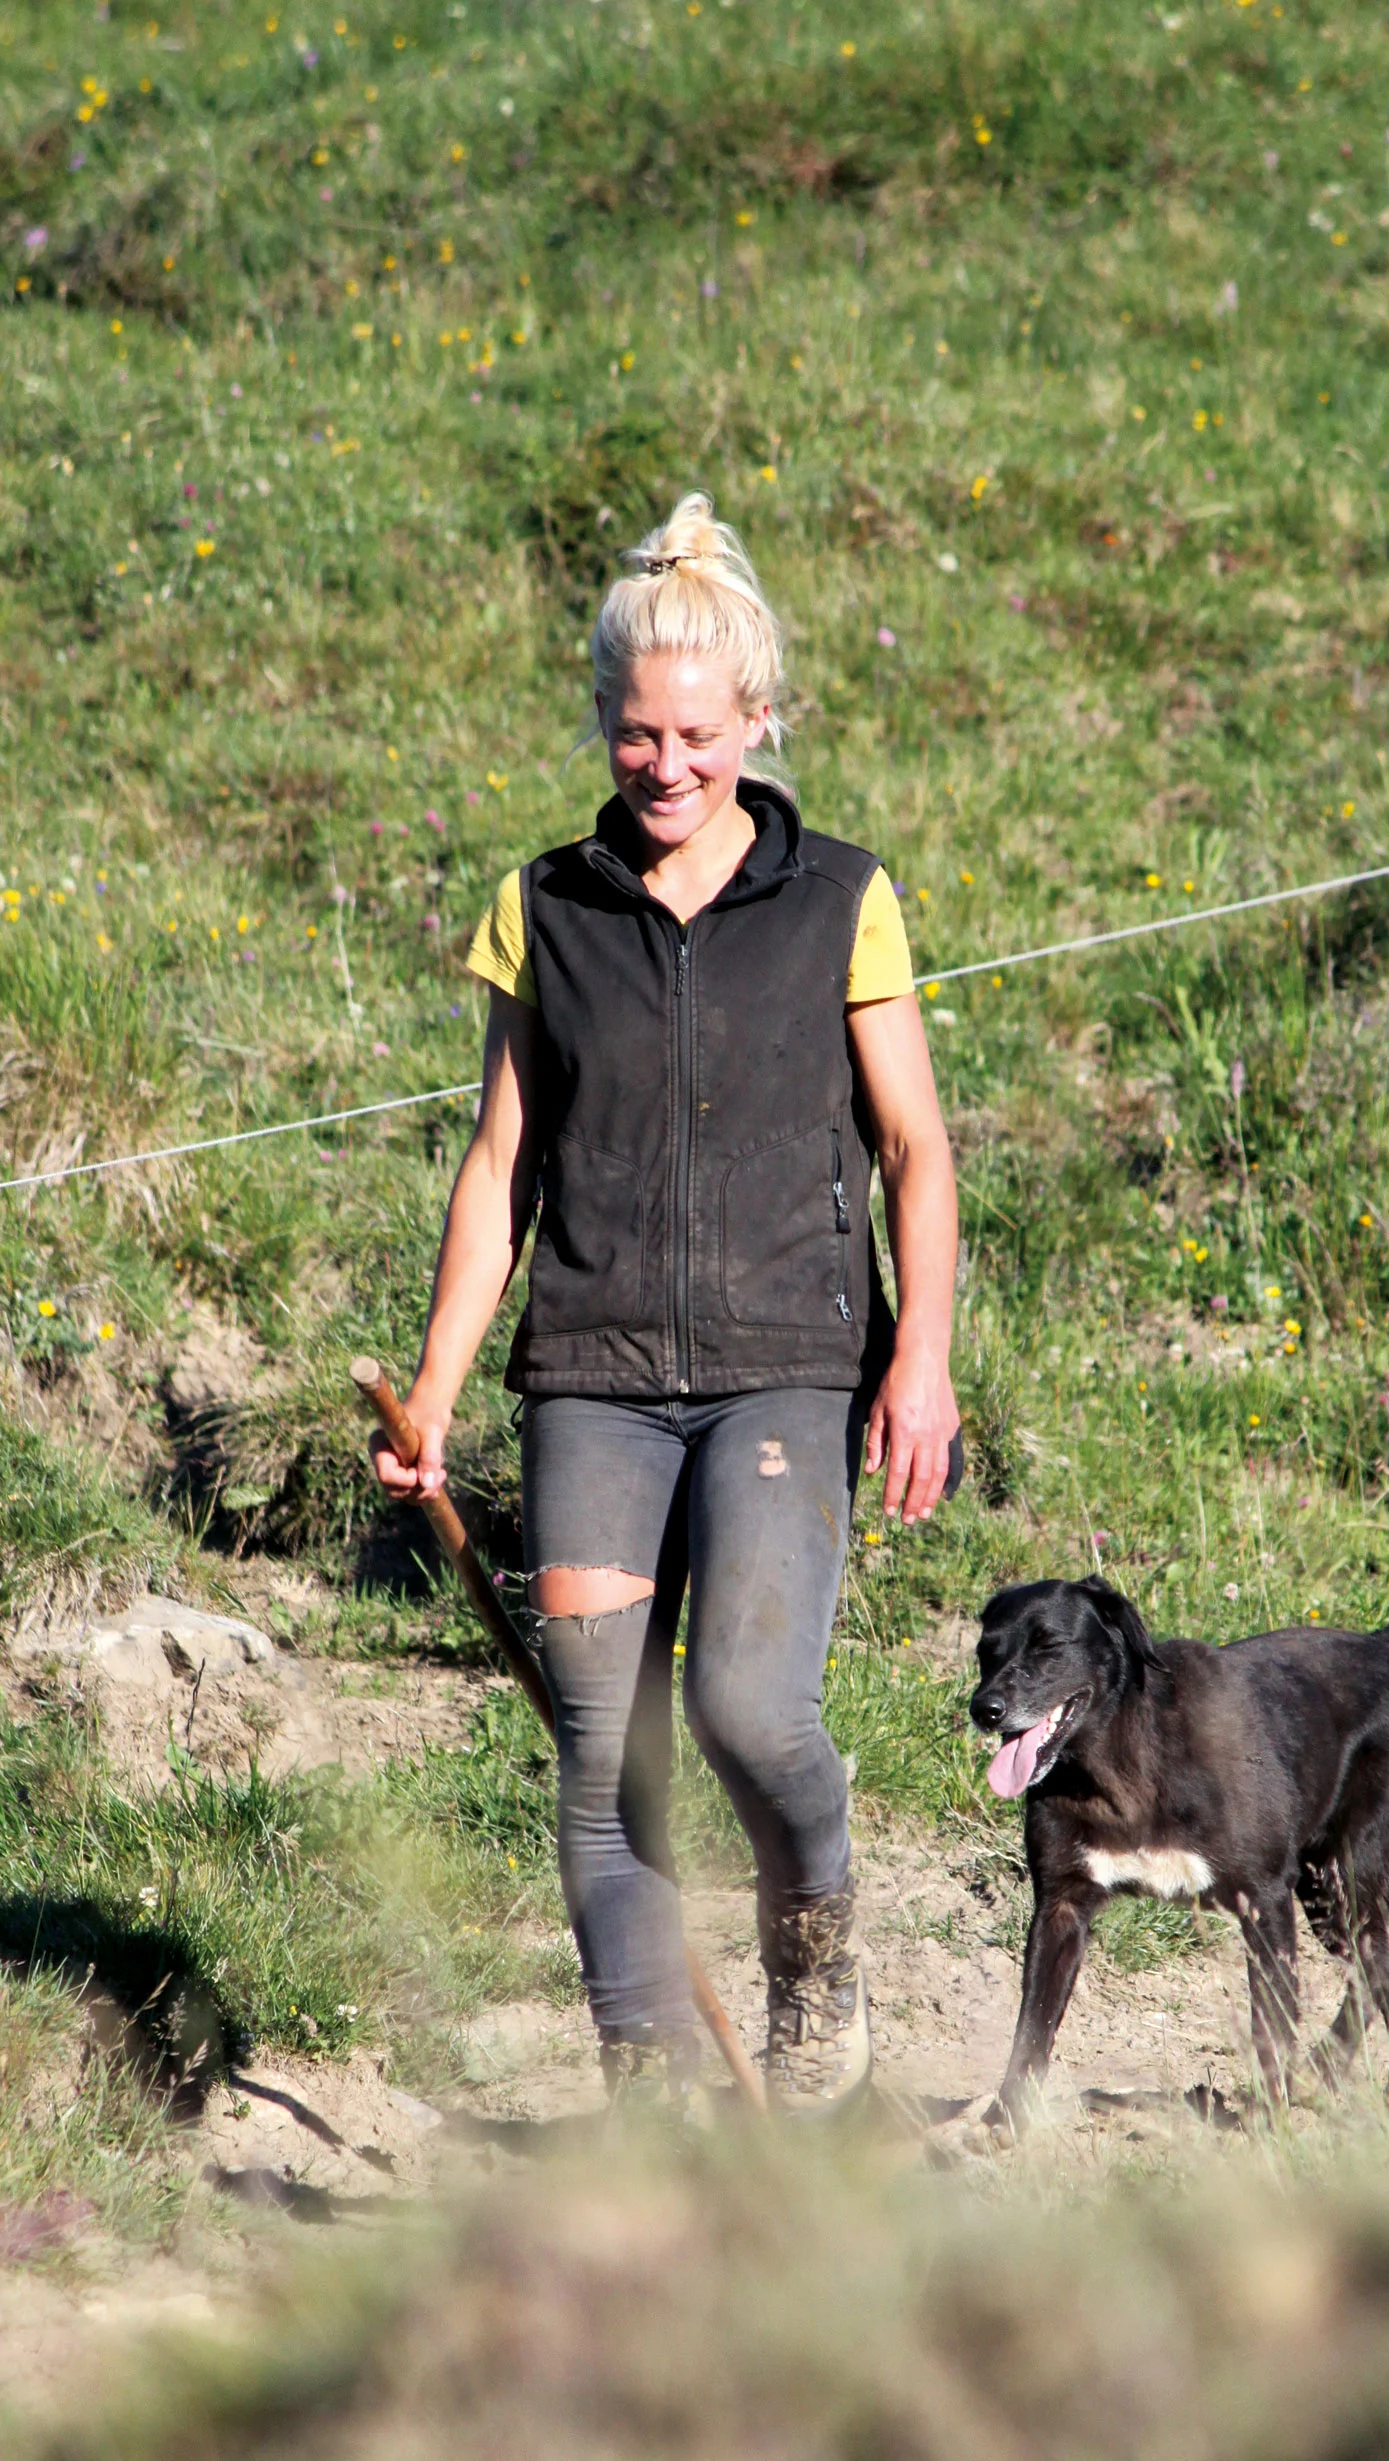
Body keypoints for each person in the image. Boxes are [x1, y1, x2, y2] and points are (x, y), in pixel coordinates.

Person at [373, 494, 960, 2120]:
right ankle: (645, 2098)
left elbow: (915, 1148)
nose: (667, 765)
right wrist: (434, 1392)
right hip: (595, 1378)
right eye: (637, 734)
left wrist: (922, 1357)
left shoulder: (844, 897)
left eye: (698, 733)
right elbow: (499, 1169)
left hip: (786, 1367)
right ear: (605, 727)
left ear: (757, 723)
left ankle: (818, 1946)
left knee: (749, 1711)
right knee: (602, 1753)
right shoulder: (544, 909)